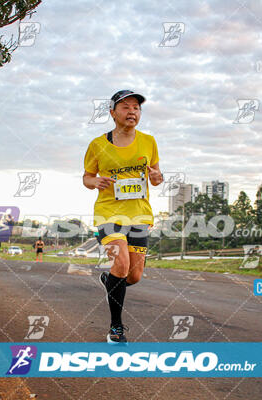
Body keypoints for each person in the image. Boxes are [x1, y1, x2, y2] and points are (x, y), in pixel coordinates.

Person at [83, 90, 163, 344]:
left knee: (134, 275)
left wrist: (157, 178)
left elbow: (157, 174)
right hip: (109, 213)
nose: (132, 111)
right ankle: (116, 328)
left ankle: (109, 281)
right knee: (121, 263)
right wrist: (95, 181)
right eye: (126, 106)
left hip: (139, 215)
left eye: (137, 108)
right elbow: (86, 177)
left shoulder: (149, 141)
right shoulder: (98, 145)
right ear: (112, 113)